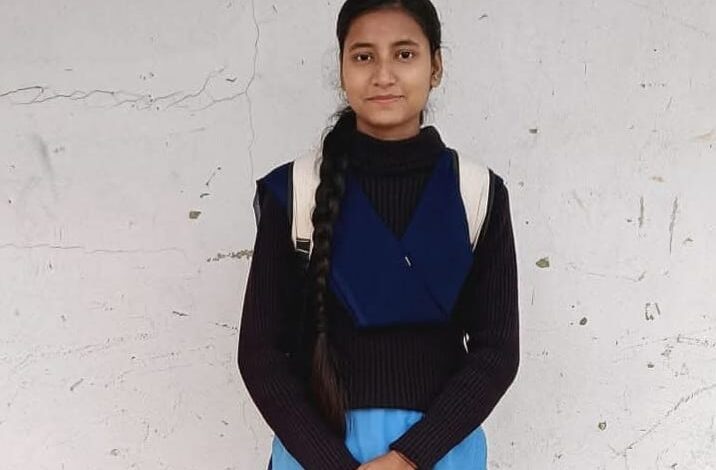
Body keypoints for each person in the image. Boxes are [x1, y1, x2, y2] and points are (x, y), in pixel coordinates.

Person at [238, 1, 520, 468]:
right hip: (316, 453)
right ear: (342, 68)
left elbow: (497, 353)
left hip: (440, 452)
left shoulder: (478, 193)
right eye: (364, 56)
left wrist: (410, 457)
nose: (383, 75)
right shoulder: (296, 191)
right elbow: (260, 355)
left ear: (436, 66)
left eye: (404, 54)